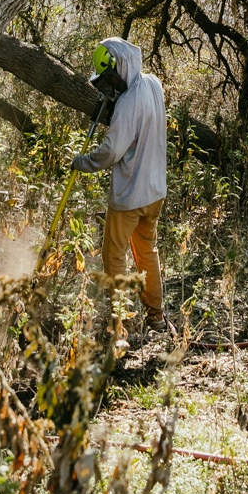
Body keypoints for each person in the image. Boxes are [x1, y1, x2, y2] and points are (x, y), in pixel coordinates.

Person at [72, 37, 168, 336]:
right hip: (155, 191)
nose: (109, 84)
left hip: (130, 194)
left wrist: (83, 161)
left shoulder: (127, 102)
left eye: (110, 77)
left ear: (120, 66)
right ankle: (156, 318)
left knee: (114, 256)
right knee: (147, 253)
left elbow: (112, 152)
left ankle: (119, 323)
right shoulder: (152, 83)